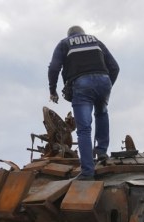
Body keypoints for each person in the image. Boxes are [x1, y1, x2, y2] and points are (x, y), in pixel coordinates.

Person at [48, 25, 120, 180]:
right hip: (104, 80)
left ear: (70, 35)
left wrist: (52, 90)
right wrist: (106, 86)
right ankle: (101, 152)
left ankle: (87, 172)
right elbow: (115, 67)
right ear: (83, 33)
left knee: (84, 129)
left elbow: (54, 68)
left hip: (82, 83)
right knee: (101, 113)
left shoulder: (64, 43)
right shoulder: (96, 41)